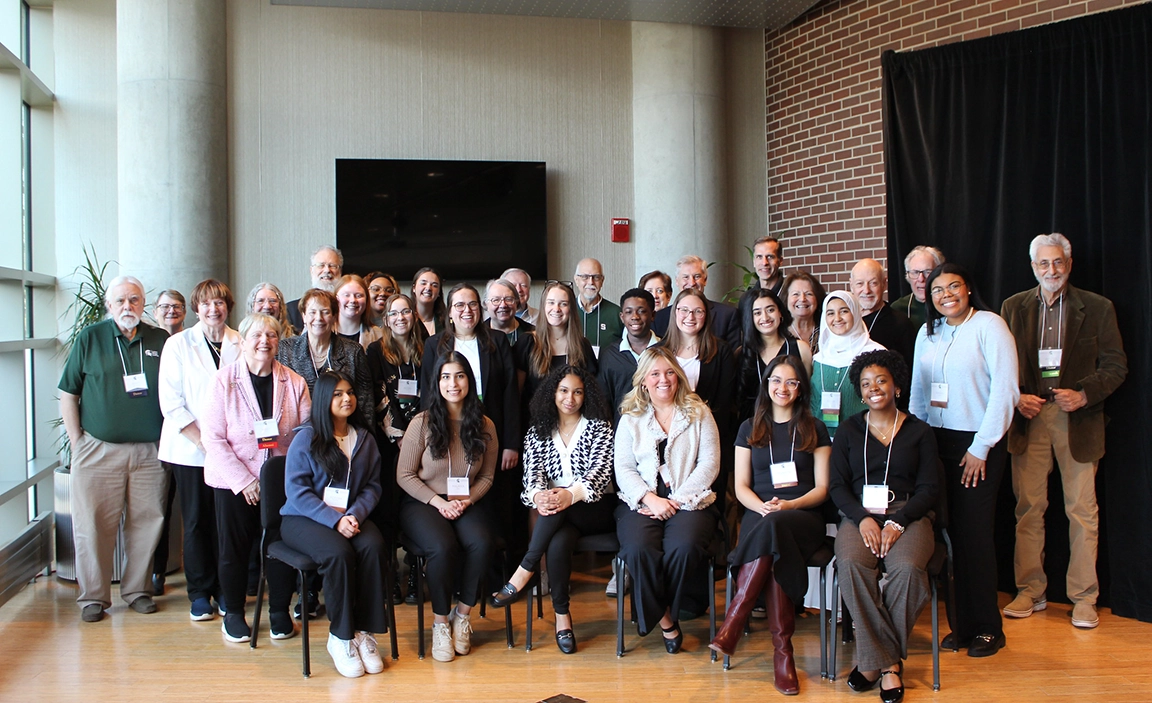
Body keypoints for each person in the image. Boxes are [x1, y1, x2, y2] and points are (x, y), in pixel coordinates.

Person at [1000, 233, 1127, 629]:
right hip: (1030, 415)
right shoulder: (1013, 307)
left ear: (1069, 265)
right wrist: (1017, 396)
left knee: (1082, 511)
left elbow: (1116, 365)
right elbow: (998, 365)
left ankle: (1084, 597)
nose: (1051, 270)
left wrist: (1085, 395)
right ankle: (1030, 590)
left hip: (1077, 418)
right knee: (1028, 509)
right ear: (1033, 267)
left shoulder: (1098, 307)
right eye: (1043, 264)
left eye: (1057, 263)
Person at [909, 263, 1018, 657]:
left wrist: (981, 445)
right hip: (934, 443)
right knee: (948, 537)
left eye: (953, 286)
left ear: (968, 288)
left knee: (974, 536)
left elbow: (1006, 391)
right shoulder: (928, 331)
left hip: (977, 445)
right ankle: (962, 626)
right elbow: (919, 395)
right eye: (937, 290)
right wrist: (914, 444)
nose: (945, 295)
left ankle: (988, 627)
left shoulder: (990, 326)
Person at [708, 356, 831, 696]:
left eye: (791, 382)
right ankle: (783, 654)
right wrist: (762, 506)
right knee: (773, 540)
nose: (783, 388)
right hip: (759, 514)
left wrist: (789, 504)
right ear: (766, 384)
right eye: (776, 380)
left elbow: (821, 489)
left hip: (803, 515)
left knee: (775, 530)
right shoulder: (750, 427)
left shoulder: (814, 427)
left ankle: (734, 620)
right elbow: (741, 485)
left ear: (801, 388)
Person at [830, 350, 940, 703]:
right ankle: (889, 663)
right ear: (859, 394)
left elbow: (929, 489)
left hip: (908, 513)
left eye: (881, 380)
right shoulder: (849, 430)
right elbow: (837, 487)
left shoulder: (920, 431)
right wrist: (862, 519)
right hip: (859, 514)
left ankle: (873, 662)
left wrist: (898, 521)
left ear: (896, 386)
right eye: (865, 384)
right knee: (850, 563)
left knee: (908, 570)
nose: (873, 388)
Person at [59, 276, 170, 623]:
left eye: (134, 300)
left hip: (150, 453)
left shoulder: (160, 339)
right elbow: (68, 394)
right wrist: (79, 443)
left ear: (143, 304)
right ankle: (93, 596)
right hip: (98, 450)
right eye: (120, 301)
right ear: (109, 306)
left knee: (147, 522)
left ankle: (137, 590)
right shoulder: (90, 338)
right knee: (92, 525)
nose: (128, 307)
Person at [488, 366, 616, 654]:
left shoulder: (600, 426)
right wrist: (539, 496)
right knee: (557, 543)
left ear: (586, 396)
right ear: (552, 393)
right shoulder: (537, 431)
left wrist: (569, 495)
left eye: (577, 391)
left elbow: (601, 473)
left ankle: (524, 570)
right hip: (557, 516)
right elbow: (531, 477)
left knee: (560, 507)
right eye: (563, 390)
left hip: (594, 508)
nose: (570, 398)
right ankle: (563, 618)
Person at [202, 313, 311, 643]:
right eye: (257, 335)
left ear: (279, 341)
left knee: (279, 547)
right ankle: (234, 612)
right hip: (234, 483)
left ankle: (278, 610)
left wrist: (280, 480)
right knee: (232, 550)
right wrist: (246, 481)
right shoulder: (224, 380)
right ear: (243, 341)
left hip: (279, 484)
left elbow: (305, 433)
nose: (265, 341)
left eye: (272, 335)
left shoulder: (293, 381)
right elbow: (213, 437)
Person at [282, 370, 388, 678]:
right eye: (338, 394)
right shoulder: (306, 436)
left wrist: (354, 514)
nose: (347, 399)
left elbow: (372, 486)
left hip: (350, 515)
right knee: (338, 553)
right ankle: (340, 636)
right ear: (323, 400)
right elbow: (297, 492)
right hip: (303, 518)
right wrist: (336, 519)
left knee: (372, 544)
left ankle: (364, 632)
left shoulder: (364, 438)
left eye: (350, 392)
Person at [614, 347, 720, 653]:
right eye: (656, 373)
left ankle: (659, 610)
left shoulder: (699, 412)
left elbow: (709, 464)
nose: (664, 379)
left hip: (690, 501)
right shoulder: (630, 417)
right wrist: (649, 497)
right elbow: (623, 468)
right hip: (640, 501)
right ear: (644, 381)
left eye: (670, 372)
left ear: (679, 377)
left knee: (684, 548)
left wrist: (675, 499)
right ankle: (666, 620)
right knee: (637, 549)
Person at [397, 352, 500, 662]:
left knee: (483, 543)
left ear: (469, 380)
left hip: (465, 502)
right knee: (442, 547)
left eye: (459, 376)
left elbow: (487, 476)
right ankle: (441, 622)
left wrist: (468, 500)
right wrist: (439, 503)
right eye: (445, 377)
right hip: (424, 502)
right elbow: (404, 475)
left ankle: (462, 614)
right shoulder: (422, 422)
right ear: (437, 382)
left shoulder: (485, 425)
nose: (453, 383)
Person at [157, 279, 243, 621]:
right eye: (206, 304)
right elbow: (172, 403)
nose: (213, 309)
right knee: (194, 521)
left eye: (220, 303)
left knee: (224, 522)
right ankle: (198, 593)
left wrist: (222, 446)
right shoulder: (178, 344)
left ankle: (225, 589)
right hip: (191, 449)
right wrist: (204, 443)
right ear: (196, 308)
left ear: (228, 307)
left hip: (232, 449)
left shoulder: (240, 342)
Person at [365, 293, 425, 604]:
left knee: (418, 508)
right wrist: (400, 436)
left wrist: (418, 437)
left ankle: (416, 571)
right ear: (386, 319)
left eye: (405, 311)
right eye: (394, 313)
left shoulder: (427, 346)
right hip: (390, 445)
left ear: (414, 315)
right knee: (388, 509)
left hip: (425, 444)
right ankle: (389, 574)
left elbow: (432, 394)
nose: (400, 317)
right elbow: (378, 396)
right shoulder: (376, 351)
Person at [278, 288, 374, 432]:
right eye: (312, 312)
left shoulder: (353, 351)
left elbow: (365, 402)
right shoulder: (285, 349)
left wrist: (364, 438)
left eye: (325, 312)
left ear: (335, 316)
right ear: (304, 316)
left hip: (343, 431)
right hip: (298, 433)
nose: (318, 318)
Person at [149, 288, 187, 592]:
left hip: (190, 439)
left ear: (185, 311)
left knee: (191, 510)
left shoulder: (192, 342)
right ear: (154, 311)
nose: (170, 311)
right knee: (159, 507)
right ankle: (156, 570)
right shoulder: (149, 341)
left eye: (176, 306)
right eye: (164, 306)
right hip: (155, 437)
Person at [515, 280, 597, 418]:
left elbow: (590, 393)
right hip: (534, 425)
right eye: (551, 302)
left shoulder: (582, 345)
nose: (556, 309)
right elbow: (517, 392)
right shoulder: (528, 342)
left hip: (572, 425)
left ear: (571, 308)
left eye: (563, 304)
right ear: (543, 306)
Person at [809, 291, 884, 438]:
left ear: (855, 312)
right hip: (822, 441)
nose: (837, 318)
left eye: (844, 311)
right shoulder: (819, 358)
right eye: (830, 313)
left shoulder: (875, 353)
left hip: (863, 439)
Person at [737, 287, 812, 421]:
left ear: (780, 313)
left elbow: (808, 392)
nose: (765, 317)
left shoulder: (801, 349)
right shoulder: (742, 353)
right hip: (752, 425)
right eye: (757, 313)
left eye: (770, 310)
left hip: (793, 422)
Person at [598, 288, 661, 426]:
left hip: (660, 430)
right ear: (622, 317)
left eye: (642, 311)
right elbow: (604, 402)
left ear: (653, 315)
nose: (635, 316)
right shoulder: (609, 355)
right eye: (628, 312)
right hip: (621, 432)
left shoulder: (665, 351)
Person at [652, 255, 742, 350]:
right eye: (685, 277)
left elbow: (734, 358)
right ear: (677, 281)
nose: (692, 283)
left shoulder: (727, 315)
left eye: (697, 276)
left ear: (705, 280)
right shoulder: (659, 318)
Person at [851, 258, 915, 370]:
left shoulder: (901, 324)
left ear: (884, 284)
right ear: (851, 286)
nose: (866, 290)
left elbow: (909, 371)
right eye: (860, 284)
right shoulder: (846, 322)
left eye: (873, 283)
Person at [287, 244, 343, 332]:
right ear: (311, 270)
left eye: (332, 266)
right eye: (321, 265)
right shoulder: (292, 310)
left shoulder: (346, 308)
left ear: (340, 271)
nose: (327, 270)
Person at [573, 258, 623, 355]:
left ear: (602, 281)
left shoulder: (616, 313)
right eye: (585, 277)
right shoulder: (567, 310)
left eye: (596, 277)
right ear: (576, 280)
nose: (591, 282)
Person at [737, 236, 787, 330]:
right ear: (754, 262)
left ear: (780, 261)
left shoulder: (792, 296)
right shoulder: (746, 299)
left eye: (770, 257)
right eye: (759, 257)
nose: (764, 263)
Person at [892, 246, 945, 332]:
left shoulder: (948, 305)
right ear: (907, 276)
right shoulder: (897, 309)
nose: (921, 279)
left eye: (927, 272)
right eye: (915, 272)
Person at [333, 274, 385, 351]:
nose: (353, 300)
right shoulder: (324, 332)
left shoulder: (380, 335)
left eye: (358, 295)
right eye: (346, 295)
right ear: (336, 299)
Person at [782, 270, 826, 354]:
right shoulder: (779, 334)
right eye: (796, 294)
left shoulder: (826, 331)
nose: (802, 299)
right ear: (786, 298)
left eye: (809, 294)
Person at [484, 278, 535, 348]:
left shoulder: (533, 333)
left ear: (516, 303)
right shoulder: (477, 334)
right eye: (496, 300)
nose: (503, 305)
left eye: (509, 299)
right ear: (486, 304)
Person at [412, 267, 447, 336]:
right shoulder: (405, 318)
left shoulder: (446, 322)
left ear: (439, 292)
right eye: (423, 283)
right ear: (414, 288)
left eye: (434, 285)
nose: (428, 288)